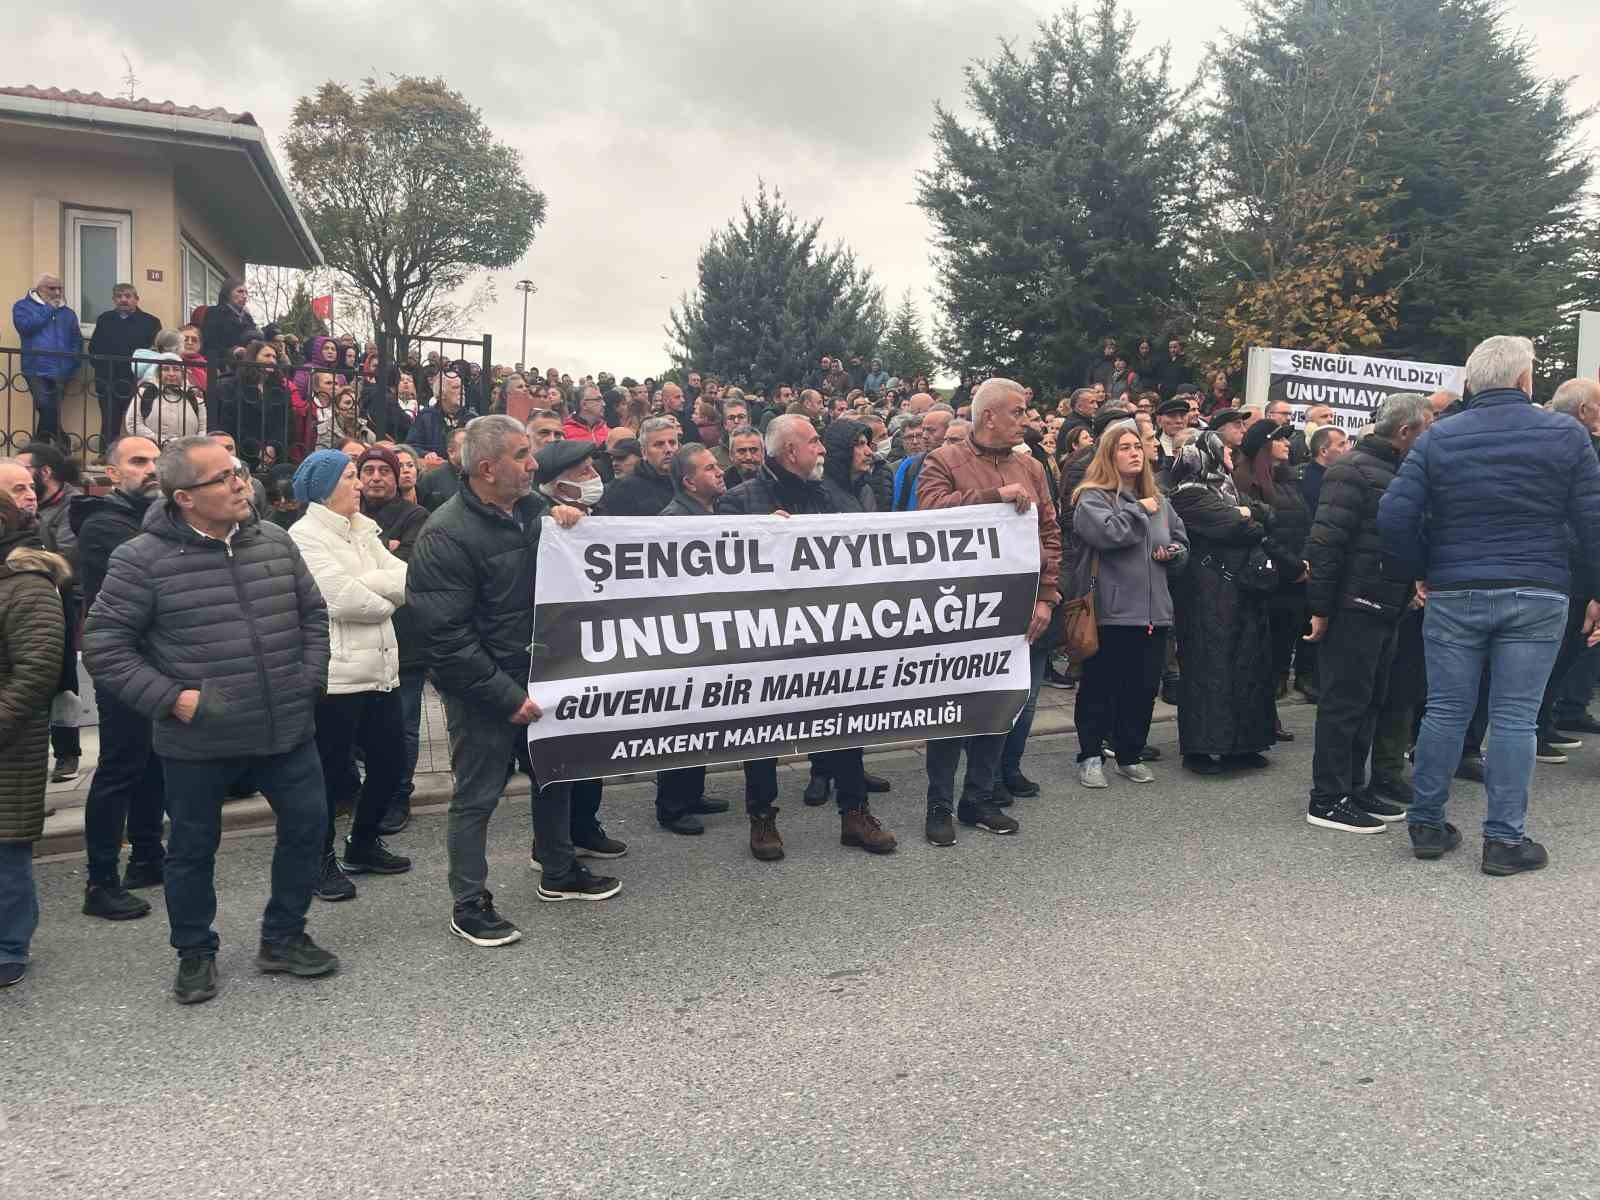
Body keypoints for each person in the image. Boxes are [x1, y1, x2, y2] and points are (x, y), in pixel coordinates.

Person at [83, 435, 337, 1005]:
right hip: (199, 738)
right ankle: (195, 950)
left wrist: (308, 680)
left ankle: (284, 935)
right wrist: (172, 698)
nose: (240, 483)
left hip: (286, 727)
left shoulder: (274, 540)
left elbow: (312, 614)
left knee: (307, 828)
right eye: (222, 478)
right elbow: (104, 645)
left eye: (237, 471)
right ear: (184, 498)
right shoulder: (140, 559)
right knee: (192, 849)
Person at [1382, 337, 1600, 874]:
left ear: (1472, 383)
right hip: (1537, 586)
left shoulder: (1439, 437)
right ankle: (1503, 840)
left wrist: (1420, 569)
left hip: (1455, 588)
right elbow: (1593, 520)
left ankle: (1427, 825)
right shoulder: (1565, 434)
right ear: (1525, 380)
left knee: (1445, 710)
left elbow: (1394, 515)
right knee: (1515, 718)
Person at [407, 415, 617, 949]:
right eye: (522, 455)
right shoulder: (446, 534)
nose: (533, 464)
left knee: (555, 775)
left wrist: (568, 519)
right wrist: (506, 695)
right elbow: (445, 637)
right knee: (476, 797)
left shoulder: (533, 512)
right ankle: (469, 903)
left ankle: (558, 868)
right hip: (485, 692)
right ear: (486, 469)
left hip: (541, 678)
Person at [718, 415, 898, 858]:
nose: (821, 449)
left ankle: (855, 812)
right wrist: (761, 536)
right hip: (767, 637)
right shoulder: (739, 501)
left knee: (844, 721)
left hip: (827, 632)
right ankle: (763, 818)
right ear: (789, 451)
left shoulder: (827, 496)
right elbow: (723, 566)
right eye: (814, 441)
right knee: (762, 730)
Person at [914, 380, 1061, 843]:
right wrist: (993, 497)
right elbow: (929, 513)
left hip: (1014, 607)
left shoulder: (1031, 466)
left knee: (999, 704)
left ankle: (978, 798)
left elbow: (1049, 533)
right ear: (989, 416)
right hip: (957, 608)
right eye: (1018, 412)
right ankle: (939, 803)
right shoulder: (943, 460)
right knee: (950, 710)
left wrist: (1046, 596)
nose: (1026, 420)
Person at [1301, 394, 1433, 834]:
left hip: (1386, 606)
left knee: (1369, 702)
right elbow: (1325, 544)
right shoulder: (1351, 470)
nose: (1430, 435)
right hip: (1353, 606)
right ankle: (1327, 798)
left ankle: (1353, 787)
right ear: (1405, 431)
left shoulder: (1397, 470)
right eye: (1426, 428)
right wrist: (1320, 609)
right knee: (1343, 705)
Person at [287, 451, 413, 901]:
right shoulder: (304, 536)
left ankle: (362, 843)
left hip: (380, 668)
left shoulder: (364, 529)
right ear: (324, 489)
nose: (360, 484)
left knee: (390, 763)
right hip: (336, 676)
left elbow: (406, 577)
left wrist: (375, 587)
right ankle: (317, 860)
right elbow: (340, 599)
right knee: (327, 774)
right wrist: (386, 596)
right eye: (349, 477)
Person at [69, 436, 169, 918]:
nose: (151, 469)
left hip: (160, 660)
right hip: (123, 662)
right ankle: (101, 880)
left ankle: (147, 856)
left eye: (156, 461)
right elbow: (159, 574)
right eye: (138, 461)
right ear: (112, 474)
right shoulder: (102, 525)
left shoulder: (156, 518)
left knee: (153, 762)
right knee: (120, 767)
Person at [1070, 421, 1188, 789]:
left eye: (1137, 446)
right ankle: (1090, 755)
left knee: (1142, 689)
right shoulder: (1092, 497)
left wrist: (1174, 552)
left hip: (1155, 613)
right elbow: (1109, 534)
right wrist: (1138, 510)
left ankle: (1129, 754)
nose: (1135, 452)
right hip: (1111, 612)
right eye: (1124, 447)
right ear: (1108, 455)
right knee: (1100, 687)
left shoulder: (1160, 500)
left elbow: (1182, 542)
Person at [1166, 433, 1278, 774]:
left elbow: (1269, 515)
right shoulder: (1188, 494)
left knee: (1245, 668)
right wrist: (1247, 517)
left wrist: (1249, 513)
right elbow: (1234, 527)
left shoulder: (1227, 489)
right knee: (1208, 669)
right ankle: (1201, 749)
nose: (1230, 453)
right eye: (1224, 449)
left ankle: (1242, 747)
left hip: (1238, 590)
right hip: (1204, 594)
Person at [0, 490, 69, 988]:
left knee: (6, 852)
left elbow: (37, 668)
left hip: (9, 742)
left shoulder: (26, 584)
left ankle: (9, 944)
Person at [650, 444, 736, 835]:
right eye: (709, 468)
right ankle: (671, 806)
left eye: (718, 466)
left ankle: (692, 793)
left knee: (700, 718)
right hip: (683, 636)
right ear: (688, 482)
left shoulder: (708, 513)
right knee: (679, 721)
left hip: (705, 632)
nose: (720, 472)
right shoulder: (674, 521)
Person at [353, 446, 430, 835]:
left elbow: (410, 568)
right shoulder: (347, 516)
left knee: (404, 724)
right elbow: (336, 569)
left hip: (406, 640)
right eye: (368, 470)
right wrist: (387, 550)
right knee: (359, 725)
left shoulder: (416, 516)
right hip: (359, 638)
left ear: (398, 477)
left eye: (385, 470)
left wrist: (367, 558)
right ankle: (365, 794)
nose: (376, 477)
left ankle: (399, 796)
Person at [1233, 420, 1310, 725]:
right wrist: (1292, 565)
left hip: (1294, 579)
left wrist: (1303, 563)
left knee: (1280, 652)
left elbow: (1304, 525)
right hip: (1268, 580)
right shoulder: (1245, 481)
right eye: (1280, 439)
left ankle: (1267, 717)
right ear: (1264, 445)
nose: (1287, 444)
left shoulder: (1289, 480)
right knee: (1259, 654)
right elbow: (1260, 534)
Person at [87, 283, 163, 449]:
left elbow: (155, 351)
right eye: (119, 296)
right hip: (108, 379)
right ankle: (105, 455)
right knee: (109, 422)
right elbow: (94, 348)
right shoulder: (105, 319)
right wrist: (101, 368)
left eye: (128, 296)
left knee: (139, 423)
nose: (123, 300)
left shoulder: (151, 322)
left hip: (137, 381)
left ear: (136, 299)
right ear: (113, 300)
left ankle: (141, 454)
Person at [12, 273, 83, 446]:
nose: (57, 292)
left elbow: (76, 339)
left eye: (60, 288)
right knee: (45, 406)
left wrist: (73, 362)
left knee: (51, 410)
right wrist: (49, 309)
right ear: (39, 289)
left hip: (62, 369)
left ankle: (40, 447)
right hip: (35, 368)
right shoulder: (23, 306)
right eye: (52, 288)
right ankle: (62, 441)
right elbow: (25, 327)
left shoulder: (68, 313)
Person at [596, 416, 677, 515]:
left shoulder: (688, 482)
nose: (668, 449)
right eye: (659, 444)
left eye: (672, 443)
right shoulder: (625, 490)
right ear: (643, 452)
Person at [127, 353, 207, 443]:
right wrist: (161, 442)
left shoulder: (194, 397)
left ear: (183, 373)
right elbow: (133, 423)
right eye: (165, 369)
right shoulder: (145, 393)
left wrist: (190, 445)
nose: (171, 374)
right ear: (158, 373)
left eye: (176, 369)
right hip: (153, 449)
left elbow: (203, 429)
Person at [409, 372, 478, 460]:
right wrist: (426, 454)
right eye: (456, 387)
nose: (462, 391)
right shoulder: (426, 416)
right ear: (441, 394)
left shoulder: (471, 418)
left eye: (463, 388)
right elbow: (411, 446)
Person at [199, 277, 258, 377]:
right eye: (240, 291)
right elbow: (208, 344)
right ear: (227, 293)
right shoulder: (214, 313)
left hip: (246, 371)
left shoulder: (248, 318)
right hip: (222, 370)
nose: (244, 296)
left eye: (246, 293)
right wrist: (232, 351)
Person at [417, 427, 468, 512]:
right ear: (451, 452)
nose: (472, 450)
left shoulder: (480, 477)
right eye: (466, 446)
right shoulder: (431, 479)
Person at [722, 426, 765, 490]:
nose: (748, 457)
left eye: (753, 450)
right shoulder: (722, 484)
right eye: (741, 451)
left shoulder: (776, 479)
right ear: (731, 455)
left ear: (763, 453)